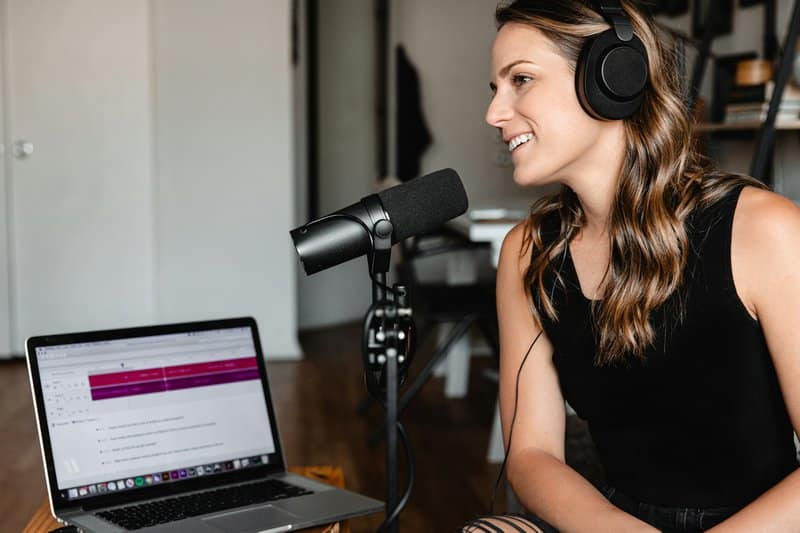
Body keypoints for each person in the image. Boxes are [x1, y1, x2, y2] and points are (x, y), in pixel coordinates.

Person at [462, 0, 800, 531]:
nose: (494, 113)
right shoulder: (528, 253)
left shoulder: (762, 230)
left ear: (612, 77)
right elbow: (530, 454)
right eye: (495, 89)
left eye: (521, 80)